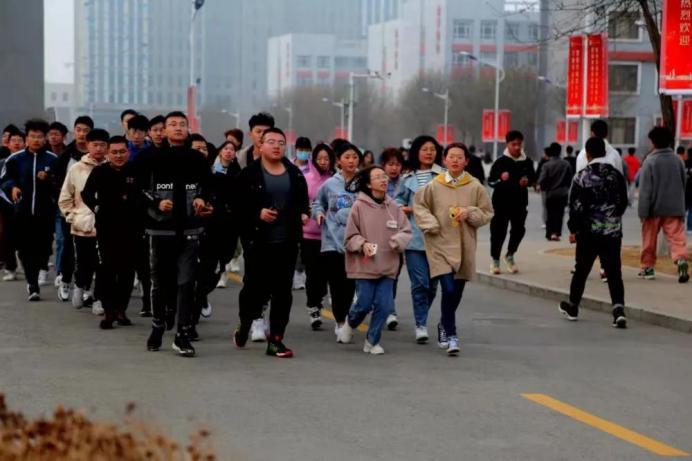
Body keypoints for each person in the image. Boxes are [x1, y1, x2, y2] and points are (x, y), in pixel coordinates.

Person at [138, 111, 214, 357]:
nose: (178, 128)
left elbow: (208, 185)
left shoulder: (197, 158)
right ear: (164, 130)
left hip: (190, 229)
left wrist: (202, 198)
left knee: (186, 282)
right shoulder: (150, 157)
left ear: (188, 128)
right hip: (160, 229)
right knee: (160, 283)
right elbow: (139, 188)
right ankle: (158, 324)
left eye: (182, 124)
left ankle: (182, 333)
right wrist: (156, 202)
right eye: (172, 124)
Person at [233, 127, 309, 358]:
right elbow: (236, 206)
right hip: (258, 242)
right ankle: (245, 324)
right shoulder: (249, 174)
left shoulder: (294, 174)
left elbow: (303, 202)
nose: (276, 146)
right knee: (254, 290)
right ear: (261, 145)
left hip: (286, 242)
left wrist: (303, 214)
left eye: (281, 142)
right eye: (271, 142)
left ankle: (276, 340)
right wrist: (258, 213)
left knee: (283, 293)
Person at [414, 142, 493, 355]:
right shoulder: (434, 185)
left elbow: (487, 213)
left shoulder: (475, 186)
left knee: (456, 292)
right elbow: (419, 206)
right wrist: (430, 224)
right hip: (439, 245)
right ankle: (451, 335)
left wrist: (470, 212)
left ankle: (443, 323)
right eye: (451, 157)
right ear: (445, 160)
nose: (455, 160)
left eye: (460, 157)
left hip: (464, 246)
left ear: (466, 161)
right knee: (448, 289)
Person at [339, 166, 412, 354]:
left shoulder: (393, 207)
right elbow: (349, 237)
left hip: (388, 265)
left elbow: (406, 231)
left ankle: (372, 341)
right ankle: (350, 323)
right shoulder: (359, 206)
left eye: (384, 176)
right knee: (363, 303)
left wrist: (397, 240)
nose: (383, 179)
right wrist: (362, 244)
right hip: (365, 265)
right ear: (369, 184)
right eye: (378, 177)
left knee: (384, 305)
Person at [560, 137, 628, 327]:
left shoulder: (581, 176)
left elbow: (574, 206)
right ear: (605, 153)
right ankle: (618, 311)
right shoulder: (616, 175)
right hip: (612, 232)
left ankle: (573, 306)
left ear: (587, 154)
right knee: (614, 273)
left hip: (587, 233)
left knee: (581, 270)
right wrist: (612, 219)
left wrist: (573, 229)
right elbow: (623, 202)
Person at [81, 135, 139, 329]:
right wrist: (97, 207)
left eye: (122, 152)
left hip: (131, 228)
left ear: (128, 152)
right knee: (106, 270)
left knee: (127, 271)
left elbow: (144, 195)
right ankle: (109, 312)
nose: (118, 156)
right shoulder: (100, 172)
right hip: (107, 228)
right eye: (114, 152)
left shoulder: (135, 171)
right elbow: (86, 194)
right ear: (108, 153)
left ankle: (121, 310)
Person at [0, 119, 57, 300]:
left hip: (45, 212)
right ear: (27, 138)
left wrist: (48, 178)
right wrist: (12, 187)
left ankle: (41, 267)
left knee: (43, 248)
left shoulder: (53, 159)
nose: (36, 140)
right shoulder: (15, 159)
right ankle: (32, 285)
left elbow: (61, 184)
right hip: (21, 212)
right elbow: (5, 179)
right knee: (25, 249)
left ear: (45, 138)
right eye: (32, 136)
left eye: (40, 137)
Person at [395, 135, 445, 343]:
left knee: (432, 286)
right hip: (414, 238)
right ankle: (421, 324)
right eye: (424, 149)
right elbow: (397, 200)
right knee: (420, 284)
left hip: (438, 239)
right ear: (416, 152)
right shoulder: (408, 179)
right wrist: (404, 208)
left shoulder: (444, 176)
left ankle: (422, 315)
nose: (429, 152)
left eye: (432, 149)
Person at [313, 141, 362, 341]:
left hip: (354, 243)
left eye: (355, 157)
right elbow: (318, 203)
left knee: (349, 286)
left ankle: (344, 317)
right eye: (347, 157)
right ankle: (340, 322)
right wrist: (318, 213)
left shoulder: (363, 183)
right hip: (331, 241)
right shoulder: (330, 184)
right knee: (336, 284)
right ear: (339, 161)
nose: (351, 161)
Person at [59, 128, 109, 314]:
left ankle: (99, 299)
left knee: (103, 265)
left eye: (102, 145)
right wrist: (73, 217)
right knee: (84, 262)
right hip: (83, 225)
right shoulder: (76, 168)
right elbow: (65, 197)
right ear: (87, 146)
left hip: (107, 226)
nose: (99, 149)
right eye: (95, 145)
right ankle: (80, 285)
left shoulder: (112, 167)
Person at [638, 127, 689, 283]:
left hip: (654, 209)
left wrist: (643, 212)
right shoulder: (678, 160)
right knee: (677, 238)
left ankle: (648, 268)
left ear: (653, 142)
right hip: (674, 207)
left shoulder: (650, 161)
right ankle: (680, 259)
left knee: (649, 240)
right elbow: (683, 183)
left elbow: (645, 190)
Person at [53, 115, 93, 302]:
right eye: (79, 130)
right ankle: (65, 280)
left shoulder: (97, 156)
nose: (82, 134)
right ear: (74, 131)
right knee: (68, 246)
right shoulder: (66, 156)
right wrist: (67, 209)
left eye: (86, 131)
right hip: (70, 211)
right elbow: (58, 183)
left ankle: (85, 286)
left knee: (89, 251)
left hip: (90, 212)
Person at [487, 130, 536, 274]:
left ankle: (510, 255)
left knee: (519, 230)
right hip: (501, 203)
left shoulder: (527, 162)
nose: (517, 147)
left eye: (519, 144)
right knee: (498, 232)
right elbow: (490, 181)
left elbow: (534, 178)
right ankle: (495, 259)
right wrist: (500, 178)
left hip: (520, 203)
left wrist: (528, 181)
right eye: (513, 144)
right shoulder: (500, 162)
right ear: (507, 144)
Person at [301, 143, 335, 330]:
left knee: (326, 275)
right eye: (320, 158)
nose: (323, 162)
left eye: (326, 158)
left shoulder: (336, 181)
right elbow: (299, 202)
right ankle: (313, 307)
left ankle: (319, 299)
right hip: (309, 235)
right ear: (313, 160)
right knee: (313, 274)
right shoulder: (305, 179)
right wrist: (302, 214)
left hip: (330, 236)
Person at [380, 147, 405, 329]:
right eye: (390, 164)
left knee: (393, 274)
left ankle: (389, 310)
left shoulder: (405, 183)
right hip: (377, 235)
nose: (394, 168)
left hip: (397, 237)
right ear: (383, 166)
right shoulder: (375, 183)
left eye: (397, 164)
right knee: (376, 273)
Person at [212, 141, 242, 290]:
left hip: (232, 215)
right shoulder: (212, 169)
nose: (229, 151)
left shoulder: (237, 171)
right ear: (220, 151)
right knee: (216, 245)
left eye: (232, 149)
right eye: (226, 148)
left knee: (229, 247)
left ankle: (224, 263)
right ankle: (221, 273)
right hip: (215, 214)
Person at [538, 142, 573, 241]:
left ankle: (550, 233)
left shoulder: (546, 165)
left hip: (550, 193)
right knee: (559, 214)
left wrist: (541, 186)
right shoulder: (566, 164)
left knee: (550, 213)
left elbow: (542, 179)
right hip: (562, 193)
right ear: (560, 151)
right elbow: (570, 178)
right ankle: (556, 233)